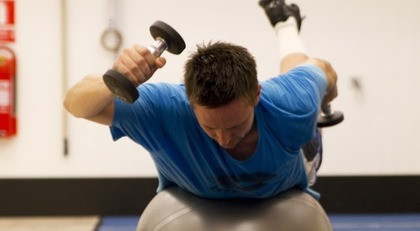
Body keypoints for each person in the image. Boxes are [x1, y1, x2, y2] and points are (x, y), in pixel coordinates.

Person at [64, 0, 337, 229]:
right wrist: (116, 78)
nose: (223, 139)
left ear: (256, 95)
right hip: (192, 199)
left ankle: (286, 24)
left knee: (295, 81)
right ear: (190, 103)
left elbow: (321, 70)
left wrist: (328, 96)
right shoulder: (166, 110)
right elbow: (74, 103)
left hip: (291, 170)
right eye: (210, 128)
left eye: (235, 125)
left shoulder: (291, 103)